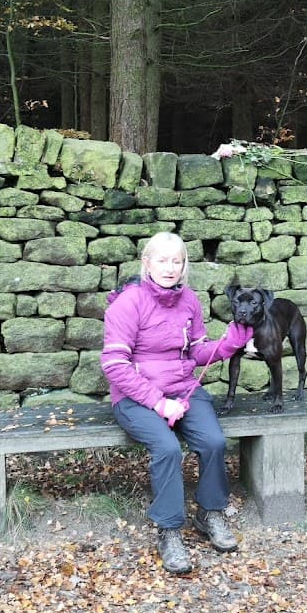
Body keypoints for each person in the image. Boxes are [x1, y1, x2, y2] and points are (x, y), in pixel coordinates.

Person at [101, 232, 254, 575]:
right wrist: (158, 403)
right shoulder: (128, 303)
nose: (170, 268)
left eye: (177, 260)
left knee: (214, 441)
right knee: (168, 449)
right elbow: (114, 366)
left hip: (183, 389)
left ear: (184, 265)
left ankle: (210, 513)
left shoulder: (189, 301)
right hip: (135, 397)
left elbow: (198, 351)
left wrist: (229, 344)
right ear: (146, 263)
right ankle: (169, 530)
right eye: (162, 260)